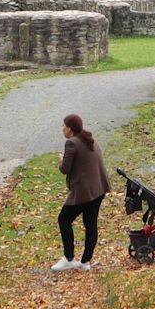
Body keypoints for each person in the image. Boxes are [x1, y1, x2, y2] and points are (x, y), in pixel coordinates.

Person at [52, 113, 111, 271]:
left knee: (64, 219)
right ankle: (85, 262)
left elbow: (65, 169)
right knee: (90, 223)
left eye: (64, 126)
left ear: (70, 129)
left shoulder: (71, 143)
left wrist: (61, 160)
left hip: (85, 191)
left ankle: (69, 258)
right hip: (99, 188)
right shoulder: (88, 138)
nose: (62, 129)